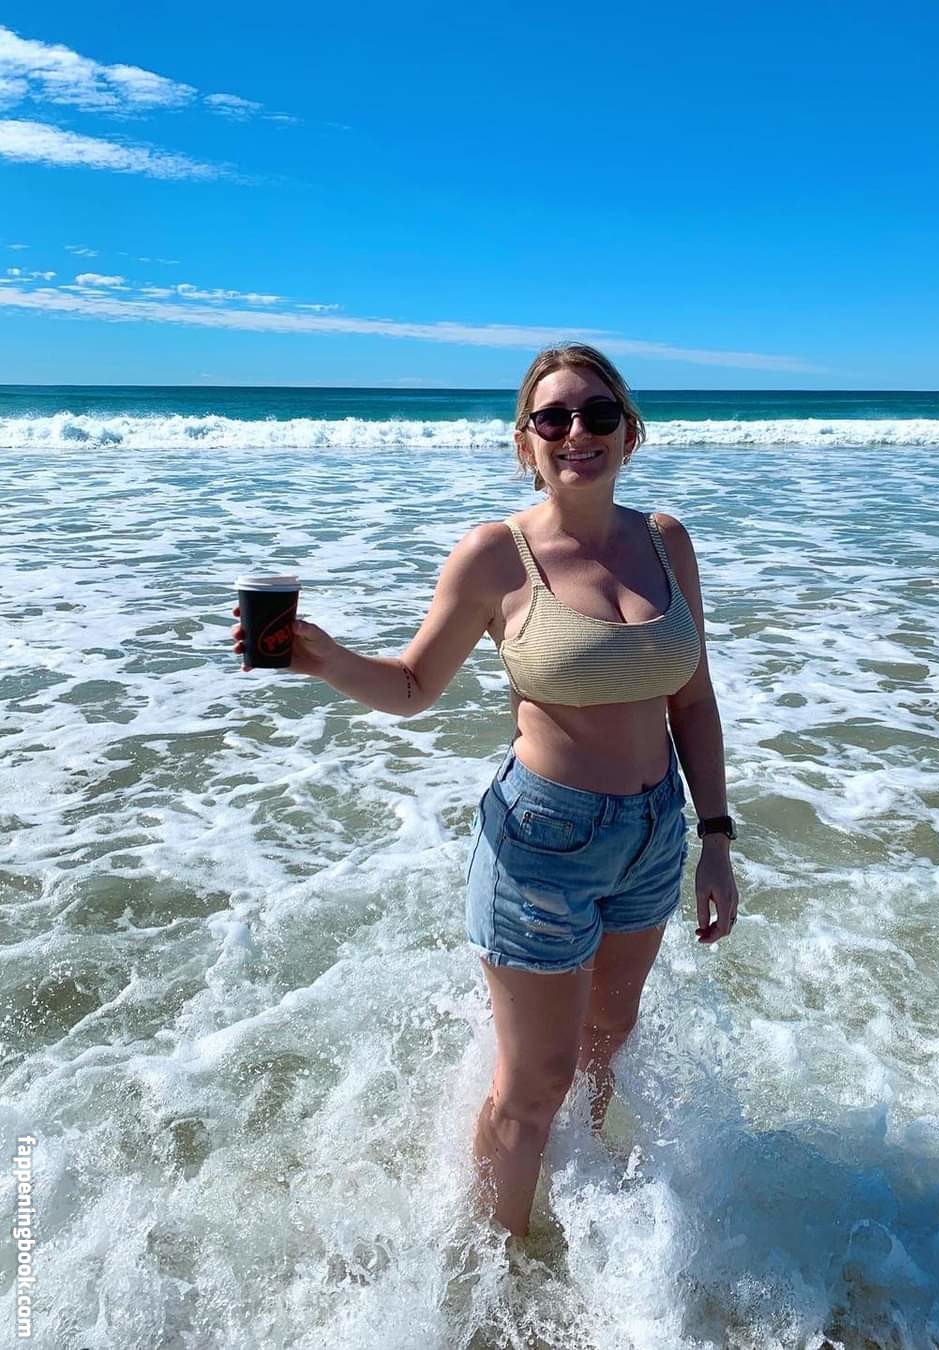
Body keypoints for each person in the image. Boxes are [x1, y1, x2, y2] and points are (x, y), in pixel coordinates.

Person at [229, 343, 739, 1238]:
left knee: (605, 1045)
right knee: (533, 1082)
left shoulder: (666, 541)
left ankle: (578, 1208)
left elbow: (692, 699)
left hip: (655, 834)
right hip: (544, 841)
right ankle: (494, 1265)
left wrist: (716, 840)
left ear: (630, 432)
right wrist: (322, 658)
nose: (577, 432)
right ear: (525, 443)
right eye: (553, 418)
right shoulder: (497, 556)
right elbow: (412, 686)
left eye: (598, 414)